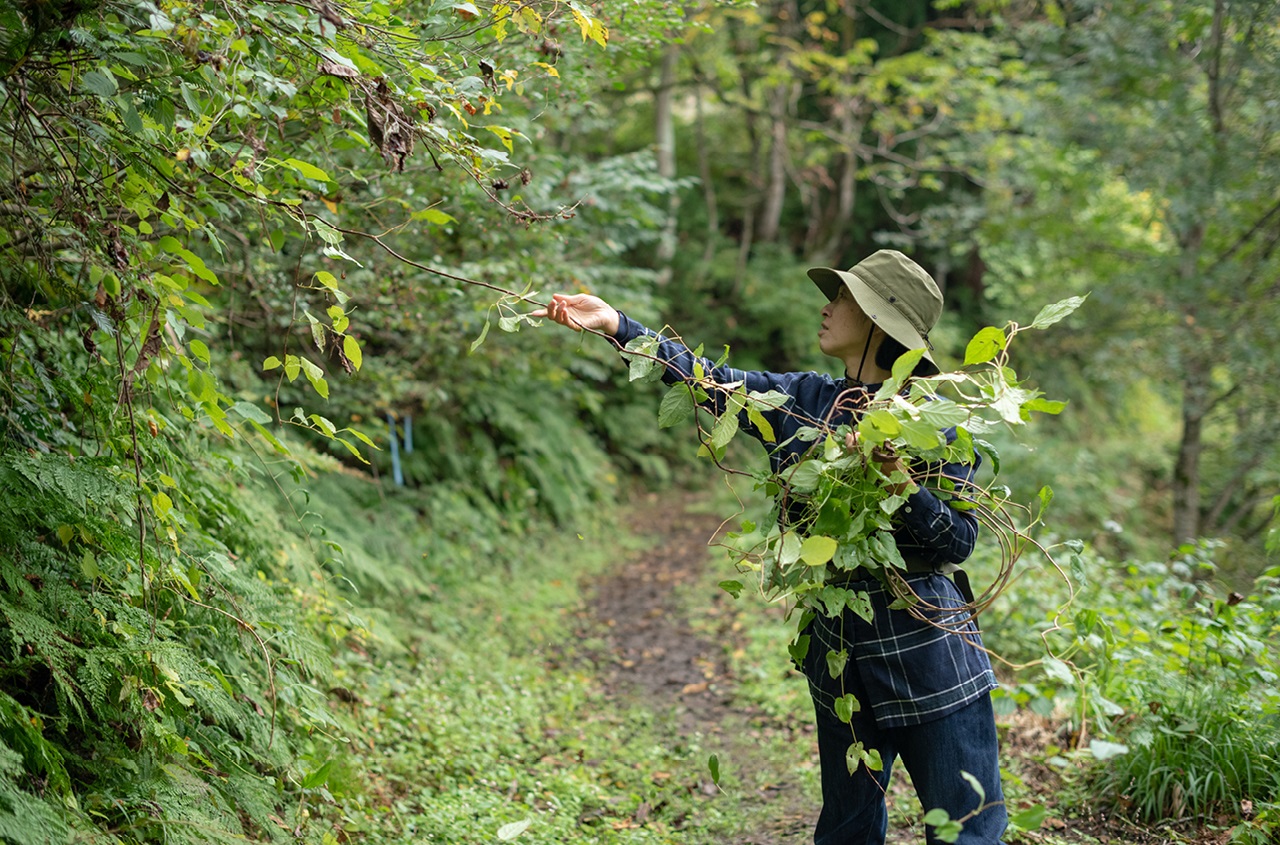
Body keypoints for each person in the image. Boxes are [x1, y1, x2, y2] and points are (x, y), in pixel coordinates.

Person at [531, 249, 1007, 844]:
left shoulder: (936, 423)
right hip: (838, 647)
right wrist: (618, 327)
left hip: (928, 647)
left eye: (843, 299)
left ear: (879, 323)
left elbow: (958, 541)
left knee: (967, 828)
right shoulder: (805, 401)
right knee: (847, 829)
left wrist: (901, 485)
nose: (827, 307)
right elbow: (707, 378)